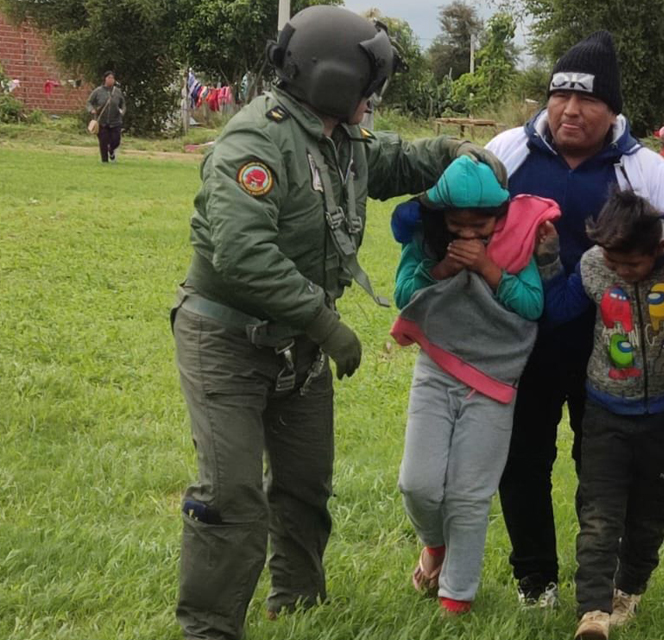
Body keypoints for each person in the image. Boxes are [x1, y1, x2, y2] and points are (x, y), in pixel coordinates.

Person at [170, 7, 507, 640]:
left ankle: (296, 602)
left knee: (304, 483)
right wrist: (326, 325)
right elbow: (242, 254)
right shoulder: (254, 144)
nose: (373, 96)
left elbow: (397, 163)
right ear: (332, 78)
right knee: (231, 495)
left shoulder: (338, 141)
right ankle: (209, 628)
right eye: (368, 80)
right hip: (227, 341)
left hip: (295, 344)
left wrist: (456, 151)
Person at [485, 30, 664, 608]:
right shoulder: (507, 153)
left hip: (613, 354)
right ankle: (536, 581)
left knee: (601, 470)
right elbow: (463, 223)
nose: (570, 110)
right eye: (560, 96)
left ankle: (607, 583)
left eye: (588, 100)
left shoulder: (647, 173)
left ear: (614, 109)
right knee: (522, 459)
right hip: (520, 343)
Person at [388, 156, 559, 615]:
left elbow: (531, 306)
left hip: (494, 381)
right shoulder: (426, 240)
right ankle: (434, 546)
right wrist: (442, 269)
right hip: (436, 370)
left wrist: (488, 267)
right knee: (417, 484)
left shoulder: (515, 244)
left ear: (498, 215)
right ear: (439, 215)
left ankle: (456, 599)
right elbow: (405, 294)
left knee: (470, 493)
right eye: (456, 222)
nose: (467, 233)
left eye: (479, 222)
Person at [538, 190, 664, 640]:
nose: (621, 271)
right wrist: (549, 260)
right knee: (599, 514)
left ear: (656, 250)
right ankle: (593, 612)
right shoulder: (593, 265)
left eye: (632, 265)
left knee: (649, 518)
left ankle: (629, 589)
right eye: (614, 261)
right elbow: (560, 310)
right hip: (605, 414)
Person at [87, 71, 125, 163]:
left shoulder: (117, 92)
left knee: (116, 140)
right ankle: (104, 161)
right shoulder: (98, 91)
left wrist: (122, 112)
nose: (111, 80)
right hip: (102, 121)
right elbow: (89, 102)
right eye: (109, 78)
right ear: (105, 79)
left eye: (112, 78)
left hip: (115, 121)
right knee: (103, 142)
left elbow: (123, 103)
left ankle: (111, 150)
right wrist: (91, 110)